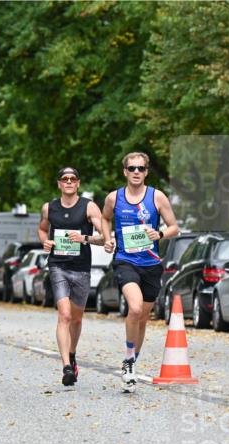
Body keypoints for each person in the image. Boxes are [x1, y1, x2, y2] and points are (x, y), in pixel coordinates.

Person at [101, 152, 181, 393]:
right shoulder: (114, 198)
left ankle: (133, 362)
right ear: (125, 171)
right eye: (132, 168)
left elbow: (175, 226)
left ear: (146, 172)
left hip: (151, 264)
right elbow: (104, 219)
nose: (136, 172)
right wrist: (107, 238)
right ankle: (128, 360)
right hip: (125, 261)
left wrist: (161, 234)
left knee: (143, 317)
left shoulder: (156, 197)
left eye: (141, 168)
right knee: (134, 308)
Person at [39, 167, 110, 386]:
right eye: (64, 179)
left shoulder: (88, 206)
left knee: (77, 318)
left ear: (78, 183)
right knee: (65, 315)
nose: (68, 182)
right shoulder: (49, 208)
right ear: (59, 183)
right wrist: (45, 242)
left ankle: (72, 353)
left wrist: (85, 238)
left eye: (72, 179)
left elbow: (103, 237)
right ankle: (66, 367)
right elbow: (42, 230)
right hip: (58, 266)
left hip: (81, 268)